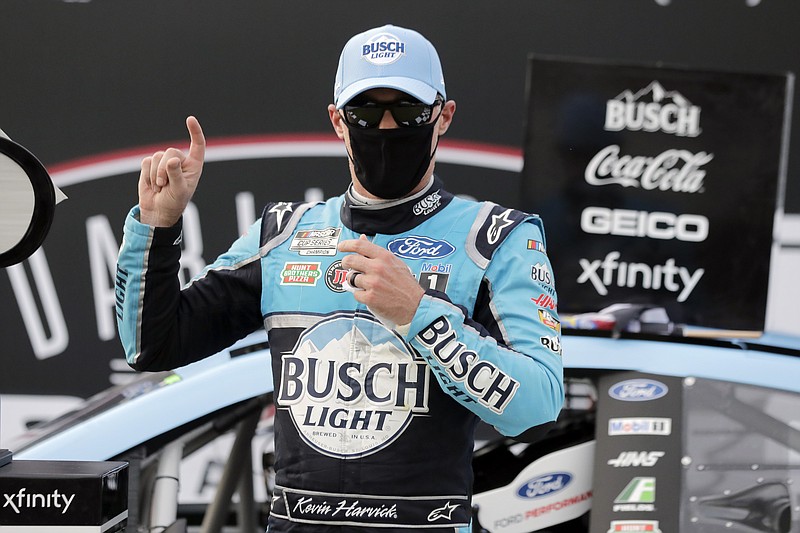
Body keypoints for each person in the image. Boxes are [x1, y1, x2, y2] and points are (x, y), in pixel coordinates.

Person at [116, 24, 563, 533]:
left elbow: (537, 404)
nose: (388, 128)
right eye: (368, 112)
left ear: (443, 118)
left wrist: (421, 316)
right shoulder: (283, 235)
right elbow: (150, 346)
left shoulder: (496, 239)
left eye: (409, 112)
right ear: (337, 121)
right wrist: (156, 227)